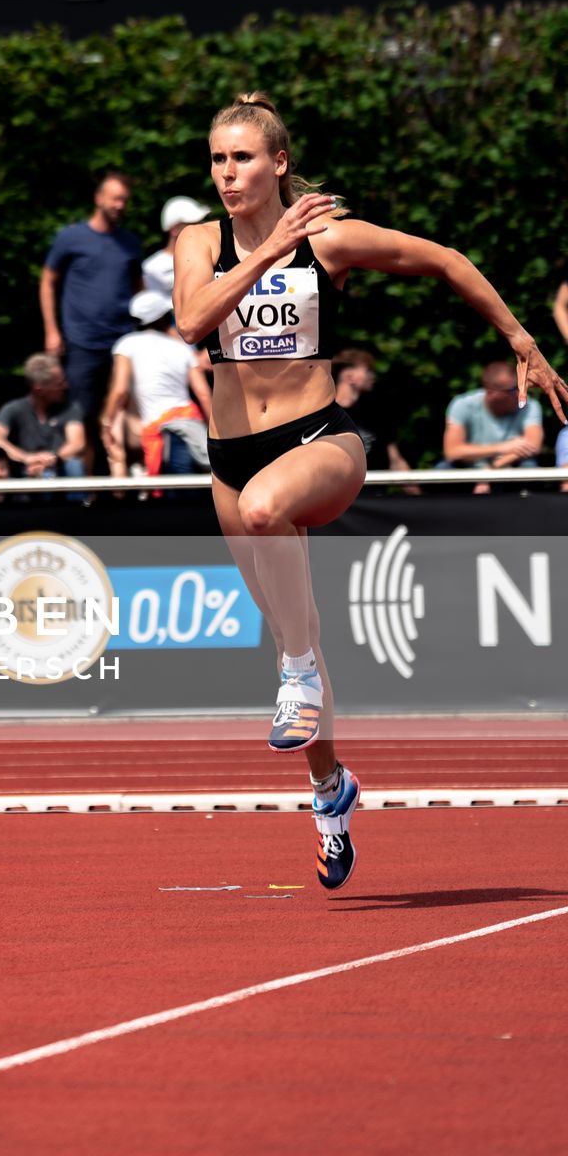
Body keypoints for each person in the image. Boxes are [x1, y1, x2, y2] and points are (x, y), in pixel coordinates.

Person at [173, 91, 568, 893]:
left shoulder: (329, 240)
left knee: (269, 530)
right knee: (299, 638)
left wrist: (523, 341)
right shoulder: (199, 241)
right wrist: (261, 253)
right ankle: (331, 792)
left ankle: (298, 679)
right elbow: (191, 319)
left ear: (278, 163)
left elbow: (447, 260)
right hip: (229, 456)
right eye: (217, 159)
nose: (227, 173)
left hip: (321, 442)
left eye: (242, 158)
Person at [40, 172, 142, 468]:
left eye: (124, 199)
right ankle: (84, 487)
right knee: (81, 413)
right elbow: (47, 282)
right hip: (82, 341)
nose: (120, 205)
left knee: (120, 413)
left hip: (123, 341)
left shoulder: (130, 243)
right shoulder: (71, 238)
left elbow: (140, 289)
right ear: (99, 199)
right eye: (115, 198)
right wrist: (52, 330)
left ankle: (122, 485)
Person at [101, 290, 211, 479]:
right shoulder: (182, 348)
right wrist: (214, 433)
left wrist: (106, 423)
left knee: (172, 500)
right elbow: (203, 394)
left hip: (164, 434)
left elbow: (119, 391)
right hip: (191, 426)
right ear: (163, 318)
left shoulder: (127, 344)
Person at [441, 360, 544, 492]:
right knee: (443, 469)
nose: (521, 394)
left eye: (521, 386)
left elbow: (533, 445)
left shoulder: (529, 406)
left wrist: (491, 470)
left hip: (508, 468)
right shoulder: (462, 405)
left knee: (530, 468)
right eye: (513, 389)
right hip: (469, 469)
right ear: (491, 393)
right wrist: (502, 447)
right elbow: (452, 452)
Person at [0, 354, 86, 478]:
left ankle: (77, 498)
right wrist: (27, 458)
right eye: (58, 384)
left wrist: (51, 460)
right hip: (24, 473)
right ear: (39, 389)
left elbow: (77, 443)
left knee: (74, 465)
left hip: (59, 469)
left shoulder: (70, 408)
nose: (65, 386)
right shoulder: (14, 409)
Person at [330, 347, 418, 491]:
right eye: (368, 370)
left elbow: (395, 460)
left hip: (374, 498)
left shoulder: (377, 412)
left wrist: (419, 500)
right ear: (349, 376)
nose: (373, 376)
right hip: (337, 500)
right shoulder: (326, 415)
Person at [142, 195, 210, 305]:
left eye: (201, 222)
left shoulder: (210, 257)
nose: (201, 228)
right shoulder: (152, 268)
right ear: (174, 229)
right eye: (193, 224)